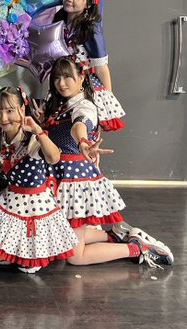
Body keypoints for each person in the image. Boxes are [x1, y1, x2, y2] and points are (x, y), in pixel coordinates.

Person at [0, 86, 173, 272]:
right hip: (9, 201)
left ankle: (135, 248)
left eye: (10, 111)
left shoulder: (33, 138)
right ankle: (23, 252)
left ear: (22, 110)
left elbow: (53, 156)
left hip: (34, 210)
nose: (4, 118)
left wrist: (39, 131)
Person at [43, 56, 125, 228]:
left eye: (67, 76)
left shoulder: (84, 106)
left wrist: (82, 143)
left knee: (73, 237)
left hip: (73, 177)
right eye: (57, 78)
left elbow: (80, 124)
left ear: (81, 78)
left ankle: (127, 239)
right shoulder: (63, 105)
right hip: (58, 173)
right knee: (59, 234)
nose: (61, 83)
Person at [52, 0, 125, 131]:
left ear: (89, 3)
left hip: (85, 87)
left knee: (83, 129)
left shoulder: (90, 28)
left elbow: (101, 66)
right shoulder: (58, 20)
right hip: (63, 83)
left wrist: (108, 98)